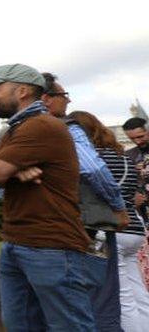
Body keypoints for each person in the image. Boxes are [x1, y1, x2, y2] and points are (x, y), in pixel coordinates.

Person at [0, 64, 100, 330]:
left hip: (50, 246)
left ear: (23, 91)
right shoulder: (16, 130)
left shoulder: (39, 127)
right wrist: (10, 171)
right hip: (22, 243)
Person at [41, 72, 127, 331]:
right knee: (102, 297)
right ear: (47, 99)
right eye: (63, 96)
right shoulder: (68, 130)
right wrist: (119, 208)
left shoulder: (18, 133)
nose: (67, 102)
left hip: (45, 230)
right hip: (86, 225)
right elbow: (94, 170)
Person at [69, 110, 149, 331]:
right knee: (138, 289)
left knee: (121, 295)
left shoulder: (90, 158)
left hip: (112, 228)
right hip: (134, 228)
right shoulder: (123, 156)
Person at [122, 117, 149, 223]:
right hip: (143, 213)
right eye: (132, 139)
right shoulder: (128, 155)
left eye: (140, 136)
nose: (137, 141)